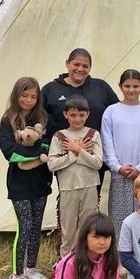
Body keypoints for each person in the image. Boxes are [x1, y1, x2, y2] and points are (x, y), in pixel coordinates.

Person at [0, 77, 53, 279]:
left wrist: (40, 153)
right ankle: (16, 275)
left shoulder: (42, 118)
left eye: (33, 96)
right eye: (24, 95)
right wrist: (35, 153)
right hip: (19, 183)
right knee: (25, 227)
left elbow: (48, 145)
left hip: (40, 180)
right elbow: (9, 151)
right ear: (16, 95)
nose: (28, 100)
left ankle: (30, 268)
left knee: (36, 227)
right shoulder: (8, 120)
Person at [101, 69, 140, 240]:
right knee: (120, 215)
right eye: (127, 86)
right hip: (120, 172)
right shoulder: (111, 111)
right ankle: (120, 252)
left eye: (135, 86)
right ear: (120, 87)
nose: (131, 90)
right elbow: (107, 142)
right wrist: (117, 167)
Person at [48, 95, 103, 257]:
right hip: (68, 188)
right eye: (73, 115)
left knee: (89, 226)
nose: (77, 119)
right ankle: (66, 262)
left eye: (81, 115)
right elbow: (52, 165)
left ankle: (87, 261)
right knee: (68, 229)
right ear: (65, 114)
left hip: (89, 186)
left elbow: (98, 163)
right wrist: (73, 153)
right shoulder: (59, 136)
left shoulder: (93, 135)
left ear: (87, 114)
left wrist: (79, 150)